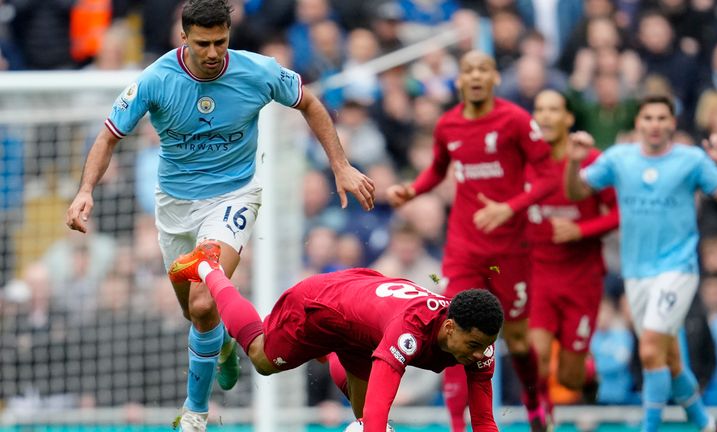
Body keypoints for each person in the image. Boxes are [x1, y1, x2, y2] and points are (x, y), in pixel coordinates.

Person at [64, 1, 375, 430]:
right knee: (197, 315)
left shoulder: (258, 71)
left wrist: (340, 164)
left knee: (204, 298)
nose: (213, 53)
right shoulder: (156, 79)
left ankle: (195, 413)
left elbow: (310, 104)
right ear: (184, 38)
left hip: (233, 197)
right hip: (174, 208)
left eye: (221, 42)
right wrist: (85, 191)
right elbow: (108, 137)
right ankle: (224, 346)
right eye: (203, 44)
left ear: (229, 35)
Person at [386, 50, 559, 432]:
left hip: (511, 250)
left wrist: (508, 208)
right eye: (469, 70)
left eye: (483, 69)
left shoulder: (515, 121)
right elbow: (438, 169)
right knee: (454, 327)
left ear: (495, 78)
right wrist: (411, 190)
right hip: (464, 249)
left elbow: (548, 176)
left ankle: (534, 406)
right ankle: (456, 426)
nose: (476, 76)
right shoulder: (448, 125)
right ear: (460, 80)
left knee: (514, 337)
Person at [171, 240, 504, 432]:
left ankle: (331, 352)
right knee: (261, 358)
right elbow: (379, 410)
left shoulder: (477, 343)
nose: (480, 355)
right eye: (474, 346)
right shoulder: (410, 332)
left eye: (485, 347)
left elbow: (485, 421)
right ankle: (208, 267)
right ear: (449, 328)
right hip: (323, 306)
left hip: (362, 322)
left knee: (363, 417)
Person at [564, 94, 717, 432]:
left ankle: (650, 428)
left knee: (648, 351)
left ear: (672, 123)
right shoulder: (619, 159)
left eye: (662, 118)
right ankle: (706, 424)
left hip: (678, 268)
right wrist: (574, 163)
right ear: (638, 123)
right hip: (636, 272)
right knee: (669, 358)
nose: (655, 125)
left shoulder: (691, 159)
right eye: (648, 118)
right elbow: (575, 193)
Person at [527, 89, 619, 419]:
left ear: (568, 118)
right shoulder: (526, 159)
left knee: (569, 376)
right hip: (539, 274)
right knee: (534, 358)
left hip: (583, 278)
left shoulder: (591, 160)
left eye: (554, 109)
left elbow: (617, 213)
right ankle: (544, 422)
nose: (546, 115)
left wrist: (581, 230)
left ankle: (589, 379)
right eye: (540, 108)